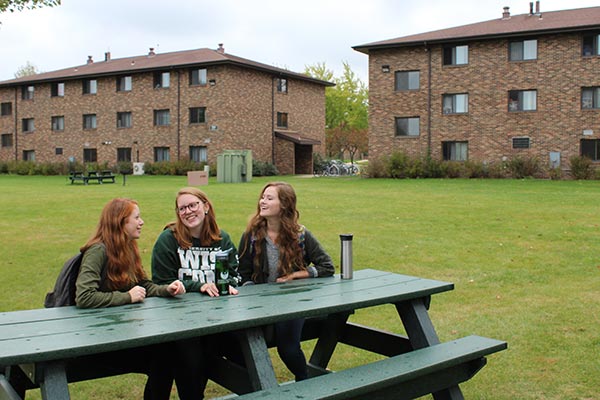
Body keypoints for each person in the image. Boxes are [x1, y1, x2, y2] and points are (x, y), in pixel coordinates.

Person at [74, 198, 186, 400]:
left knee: (168, 351)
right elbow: (84, 296)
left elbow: (143, 285)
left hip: (122, 332)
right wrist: (127, 297)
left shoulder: (129, 247)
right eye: (137, 218)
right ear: (120, 222)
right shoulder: (98, 250)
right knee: (164, 354)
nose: (142, 222)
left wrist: (166, 289)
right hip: (97, 340)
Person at [238, 181, 334, 381]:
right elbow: (242, 273)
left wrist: (296, 275)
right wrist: (255, 296)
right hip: (259, 304)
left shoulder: (300, 234)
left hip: (291, 303)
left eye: (269, 198)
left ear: (284, 204)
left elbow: (327, 266)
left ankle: (304, 381)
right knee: (245, 345)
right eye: (262, 197)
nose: (262, 202)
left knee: (288, 349)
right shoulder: (251, 235)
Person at [150, 187, 240, 399]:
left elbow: (235, 273)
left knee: (244, 348)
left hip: (217, 318)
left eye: (193, 205)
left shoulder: (221, 240)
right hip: (180, 321)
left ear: (206, 207)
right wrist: (197, 285)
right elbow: (161, 282)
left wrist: (231, 284)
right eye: (182, 208)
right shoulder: (168, 240)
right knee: (189, 358)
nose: (188, 212)